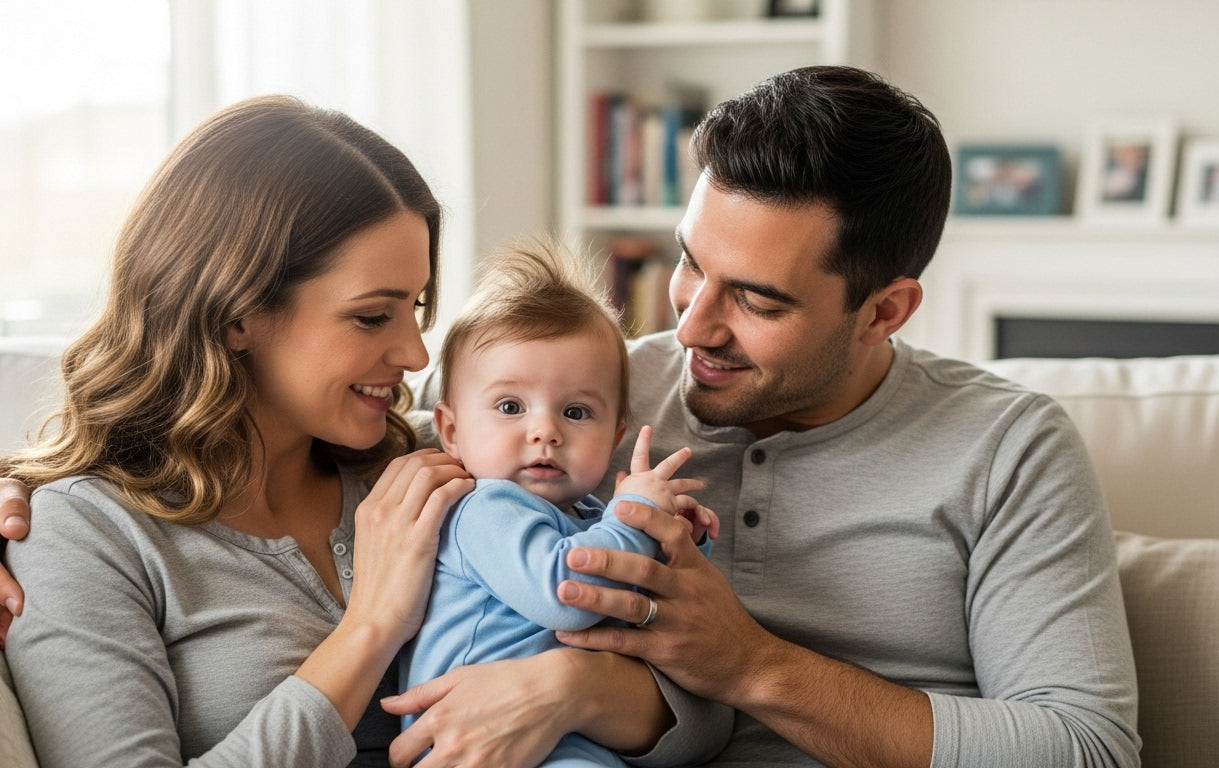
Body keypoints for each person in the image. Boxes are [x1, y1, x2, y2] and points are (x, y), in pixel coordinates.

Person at [2, 66, 1140, 767]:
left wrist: (672, 676)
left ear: (886, 309)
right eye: (689, 268)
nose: (690, 330)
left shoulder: (1007, 450)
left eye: (756, 299)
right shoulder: (581, 403)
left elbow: (1083, 750)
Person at [0, 96, 725, 768]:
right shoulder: (84, 532)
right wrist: (370, 628)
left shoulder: (437, 462)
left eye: (416, 306)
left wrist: (573, 686)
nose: (415, 354)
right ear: (236, 314)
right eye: (373, 316)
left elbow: (706, 714)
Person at [400, 241, 718, 767]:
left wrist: (666, 532)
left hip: (567, 737)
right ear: (451, 432)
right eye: (510, 407)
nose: (544, 431)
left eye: (575, 411)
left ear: (614, 436)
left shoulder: (590, 518)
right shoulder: (480, 508)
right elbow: (565, 593)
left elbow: (646, 606)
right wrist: (630, 519)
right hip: (473, 745)